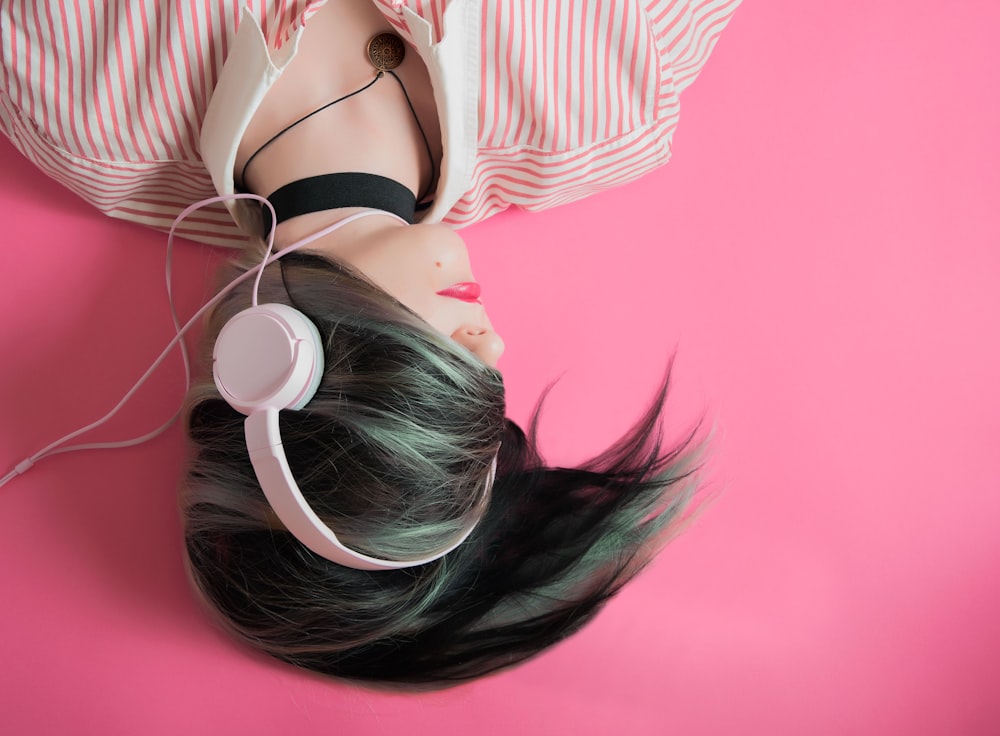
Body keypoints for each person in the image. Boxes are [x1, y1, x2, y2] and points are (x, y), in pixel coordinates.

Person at [1, 0, 740, 686]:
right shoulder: (607, 99)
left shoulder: (78, 102)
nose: (495, 349)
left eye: (440, 387)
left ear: (276, 360)